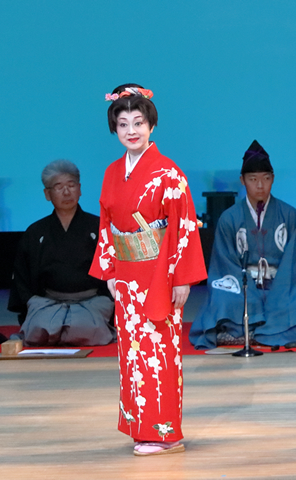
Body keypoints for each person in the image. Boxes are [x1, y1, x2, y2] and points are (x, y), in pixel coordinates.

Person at [88, 84, 206, 456]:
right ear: (115, 129)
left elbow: (183, 226)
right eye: (123, 124)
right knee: (132, 353)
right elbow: (106, 223)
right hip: (126, 275)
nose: (131, 131)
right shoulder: (112, 172)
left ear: (151, 125)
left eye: (138, 122)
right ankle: (142, 429)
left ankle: (166, 434)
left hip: (159, 272)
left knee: (160, 351)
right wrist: (110, 270)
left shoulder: (169, 173)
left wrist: (182, 278)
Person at [188, 141, 296, 350]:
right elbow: (224, 265)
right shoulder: (229, 219)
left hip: (284, 286)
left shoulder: (289, 214)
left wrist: (277, 294)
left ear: (273, 179)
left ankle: (249, 333)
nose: (260, 185)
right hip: (243, 289)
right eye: (253, 179)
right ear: (242, 180)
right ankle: (276, 330)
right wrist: (252, 293)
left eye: (266, 178)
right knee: (225, 301)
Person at [8, 159, 114, 346]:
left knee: (84, 327)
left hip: (92, 302)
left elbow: (114, 269)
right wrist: (31, 303)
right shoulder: (36, 232)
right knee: (40, 329)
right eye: (58, 187)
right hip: (48, 303)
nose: (66, 192)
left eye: (71, 185)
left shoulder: (98, 227)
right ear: (47, 194)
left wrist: (107, 298)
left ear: (79, 189)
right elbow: (22, 275)